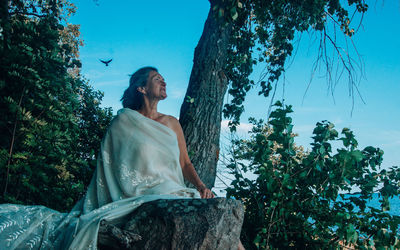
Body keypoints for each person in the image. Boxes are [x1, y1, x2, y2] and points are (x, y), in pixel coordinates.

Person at [1, 66, 247, 249]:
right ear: (142, 88)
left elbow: (184, 162)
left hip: (171, 189)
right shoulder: (123, 122)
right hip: (133, 195)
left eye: (163, 78)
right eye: (156, 78)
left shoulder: (172, 123)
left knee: (224, 227)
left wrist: (202, 186)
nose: (163, 81)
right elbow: (110, 168)